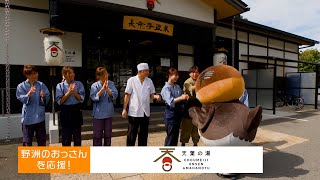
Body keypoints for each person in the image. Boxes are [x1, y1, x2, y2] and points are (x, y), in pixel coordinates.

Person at [121, 63, 161, 146]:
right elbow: (127, 95)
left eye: (148, 71)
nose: (148, 72)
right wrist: (124, 109)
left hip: (145, 112)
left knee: (143, 135)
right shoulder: (131, 80)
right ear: (140, 71)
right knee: (131, 134)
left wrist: (155, 96)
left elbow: (151, 95)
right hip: (134, 112)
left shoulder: (149, 81)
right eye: (146, 71)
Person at [16, 65, 50, 146]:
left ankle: (41, 158)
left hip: (40, 118)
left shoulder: (41, 85)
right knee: (27, 143)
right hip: (28, 119)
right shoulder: (21, 86)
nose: (36, 75)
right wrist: (29, 94)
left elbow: (47, 98)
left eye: (36, 73)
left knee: (42, 142)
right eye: (34, 74)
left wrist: (43, 96)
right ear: (27, 75)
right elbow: (21, 98)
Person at [56, 66, 85, 146]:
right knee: (66, 137)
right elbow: (60, 101)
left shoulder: (78, 84)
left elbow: (81, 99)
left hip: (76, 110)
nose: (73, 74)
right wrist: (68, 92)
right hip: (65, 111)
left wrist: (74, 92)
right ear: (64, 75)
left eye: (73, 72)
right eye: (70, 73)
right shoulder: (60, 86)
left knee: (77, 137)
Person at [161, 67, 189, 146]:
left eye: (177, 75)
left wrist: (185, 96)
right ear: (169, 75)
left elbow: (181, 96)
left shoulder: (177, 87)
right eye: (175, 75)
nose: (177, 77)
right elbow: (171, 102)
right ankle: (167, 155)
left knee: (175, 136)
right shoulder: (166, 88)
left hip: (178, 113)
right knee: (170, 136)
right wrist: (181, 98)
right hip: (170, 114)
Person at [90, 67, 118, 146]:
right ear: (99, 76)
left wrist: (107, 89)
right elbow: (93, 97)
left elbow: (115, 95)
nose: (106, 75)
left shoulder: (111, 83)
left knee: (108, 134)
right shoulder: (94, 85)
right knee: (97, 135)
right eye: (104, 74)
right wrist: (102, 89)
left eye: (106, 73)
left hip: (108, 112)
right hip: (98, 113)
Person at [180, 66, 201, 146]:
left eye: (197, 72)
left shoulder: (199, 81)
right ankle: (183, 144)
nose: (195, 74)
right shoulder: (187, 82)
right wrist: (201, 84)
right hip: (188, 106)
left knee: (196, 126)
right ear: (190, 74)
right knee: (186, 126)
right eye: (193, 72)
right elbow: (191, 89)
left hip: (198, 106)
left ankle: (195, 143)